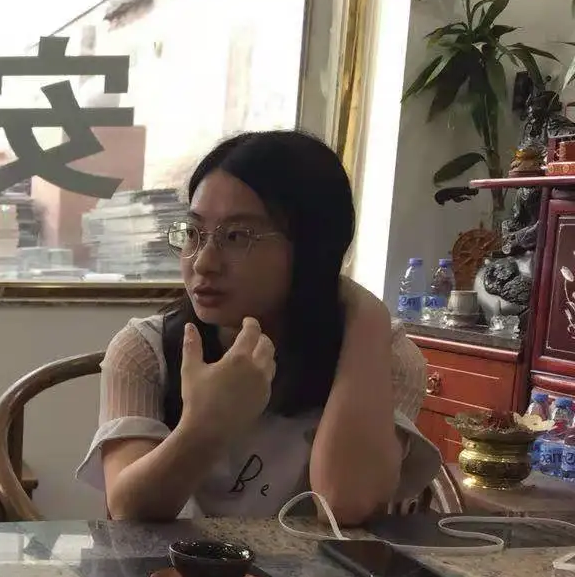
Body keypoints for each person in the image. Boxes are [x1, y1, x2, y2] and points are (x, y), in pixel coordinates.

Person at [77, 130, 439, 524]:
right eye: (194, 233)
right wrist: (206, 423)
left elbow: (345, 504)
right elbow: (128, 511)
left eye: (236, 237)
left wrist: (368, 314)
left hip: (317, 566)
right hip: (173, 565)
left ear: (312, 248)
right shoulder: (147, 350)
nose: (203, 263)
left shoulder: (384, 354)